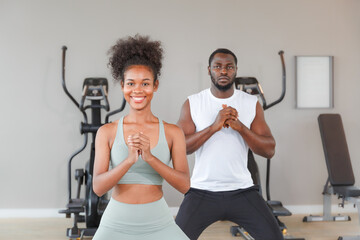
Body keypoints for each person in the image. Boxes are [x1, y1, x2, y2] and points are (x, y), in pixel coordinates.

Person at [175, 48, 284, 240]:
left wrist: (241, 128)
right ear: (209, 70)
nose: (223, 71)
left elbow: (269, 150)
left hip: (242, 191)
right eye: (218, 67)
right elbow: (180, 147)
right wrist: (213, 127)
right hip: (202, 191)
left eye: (229, 67)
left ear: (235, 70)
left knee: (274, 237)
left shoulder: (251, 103)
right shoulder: (193, 103)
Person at [92, 35, 190, 240]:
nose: (137, 90)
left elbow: (185, 185)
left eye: (145, 83)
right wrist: (129, 160)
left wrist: (150, 157)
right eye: (131, 83)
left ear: (155, 85)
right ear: (122, 86)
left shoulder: (173, 132)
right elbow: (99, 188)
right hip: (115, 223)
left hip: (159, 223)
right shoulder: (107, 132)